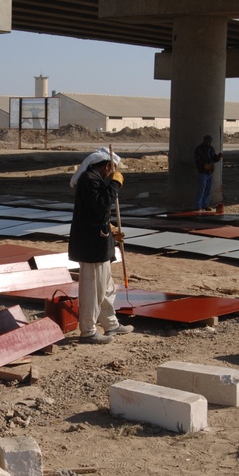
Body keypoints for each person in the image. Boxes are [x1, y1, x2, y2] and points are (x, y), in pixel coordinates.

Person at [68, 147, 134, 344]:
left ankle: (110, 323)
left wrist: (112, 230)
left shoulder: (94, 180)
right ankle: (88, 331)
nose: (111, 173)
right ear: (106, 165)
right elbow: (103, 204)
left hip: (99, 241)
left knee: (106, 288)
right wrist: (115, 183)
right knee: (92, 290)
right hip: (91, 245)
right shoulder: (89, 180)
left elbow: (97, 213)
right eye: (111, 169)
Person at [194, 135, 223, 211]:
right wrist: (204, 165)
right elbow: (197, 160)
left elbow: (213, 159)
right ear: (203, 141)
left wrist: (218, 157)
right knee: (201, 190)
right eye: (206, 141)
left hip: (210, 172)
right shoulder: (199, 149)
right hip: (203, 172)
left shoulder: (211, 149)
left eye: (209, 141)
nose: (208, 143)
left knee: (207, 190)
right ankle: (198, 206)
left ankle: (205, 205)